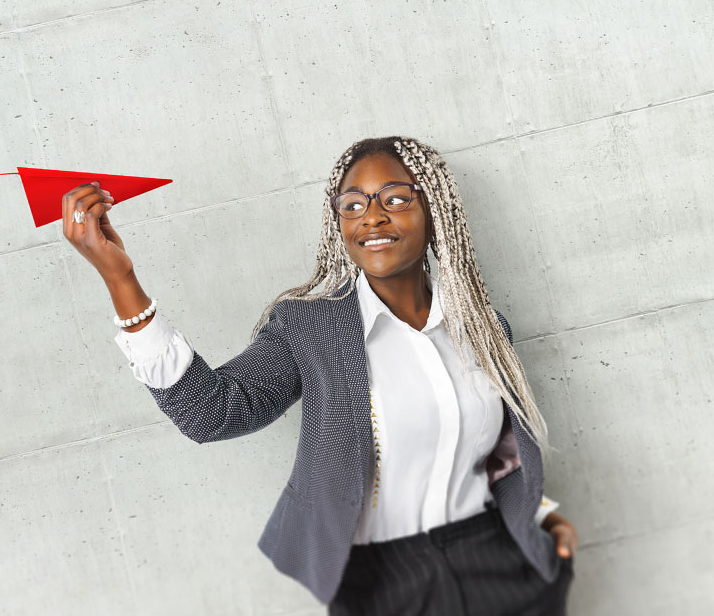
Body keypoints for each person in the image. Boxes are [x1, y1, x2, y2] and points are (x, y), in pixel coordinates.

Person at [60, 135, 579, 614]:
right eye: (353, 205)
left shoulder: (484, 328)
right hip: (385, 582)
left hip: (504, 567)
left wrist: (540, 516)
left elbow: (497, 457)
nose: (371, 218)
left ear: (434, 209)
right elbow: (210, 414)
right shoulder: (313, 328)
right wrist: (121, 280)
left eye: (395, 198)